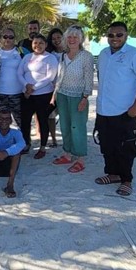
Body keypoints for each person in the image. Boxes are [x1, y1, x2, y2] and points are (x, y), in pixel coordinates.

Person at [94, 22, 136, 196]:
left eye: (119, 35)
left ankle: (126, 179)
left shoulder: (135, 54)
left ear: (126, 35)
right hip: (104, 109)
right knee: (106, 144)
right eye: (111, 35)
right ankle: (112, 174)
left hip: (125, 111)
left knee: (126, 147)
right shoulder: (103, 54)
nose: (115, 38)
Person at [51, 26, 94, 173]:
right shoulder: (63, 55)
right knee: (65, 126)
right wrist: (55, 93)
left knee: (78, 127)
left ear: (81, 39)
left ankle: (80, 158)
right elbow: (60, 76)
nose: (72, 40)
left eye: (75, 37)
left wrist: (85, 97)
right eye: (69, 37)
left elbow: (89, 79)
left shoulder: (86, 56)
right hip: (62, 95)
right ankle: (67, 154)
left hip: (78, 96)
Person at [17, 34, 58, 158]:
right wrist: (26, 86)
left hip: (43, 94)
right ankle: (26, 144)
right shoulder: (27, 57)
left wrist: (33, 88)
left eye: (41, 43)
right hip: (26, 94)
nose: (38, 45)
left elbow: (50, 77)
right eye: (35, 43)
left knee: (42, 120)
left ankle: (42, 147)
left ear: (45, 44)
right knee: (25, 121)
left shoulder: (50, 58)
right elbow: (19, 73)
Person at [0, 28, 25, 127]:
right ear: (1, 38)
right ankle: (3, 141)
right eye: (5, 36)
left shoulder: (21, 51)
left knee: (21, 121)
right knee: (2, 121)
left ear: (14, 38)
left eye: (11, 37)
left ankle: (25, 141)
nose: (8, 39)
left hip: (17, 93)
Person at [46, 28, 65, 147]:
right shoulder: (49, 54)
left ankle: (68, 139)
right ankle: (53, 139)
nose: (56, 40)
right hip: (51, 89)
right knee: (50, 116)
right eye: (53, 38)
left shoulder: (69, 52)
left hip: (66, 88)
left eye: (59, 37)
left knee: (65, 115)